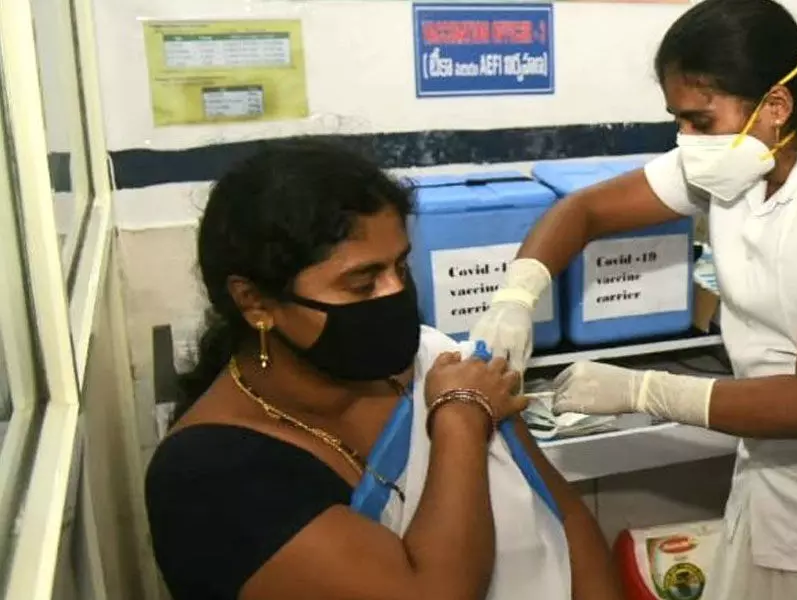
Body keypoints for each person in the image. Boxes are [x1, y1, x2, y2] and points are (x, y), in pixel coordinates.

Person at [470, 0, 797, 598]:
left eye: (700, 121)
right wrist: (516, 296)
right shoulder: (737, 163)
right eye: (677, 120)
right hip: (774, 484)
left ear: (776, 107)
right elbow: (586, 209)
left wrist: (641, 391)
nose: (687, 140)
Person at [144, 138, 621, 600]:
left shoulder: (433, 361)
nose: (394, 294)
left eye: (400, 267)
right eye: (362, 283)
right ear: (255, 301)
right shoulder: (209, 479)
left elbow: (566, 522)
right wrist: (459, 421)